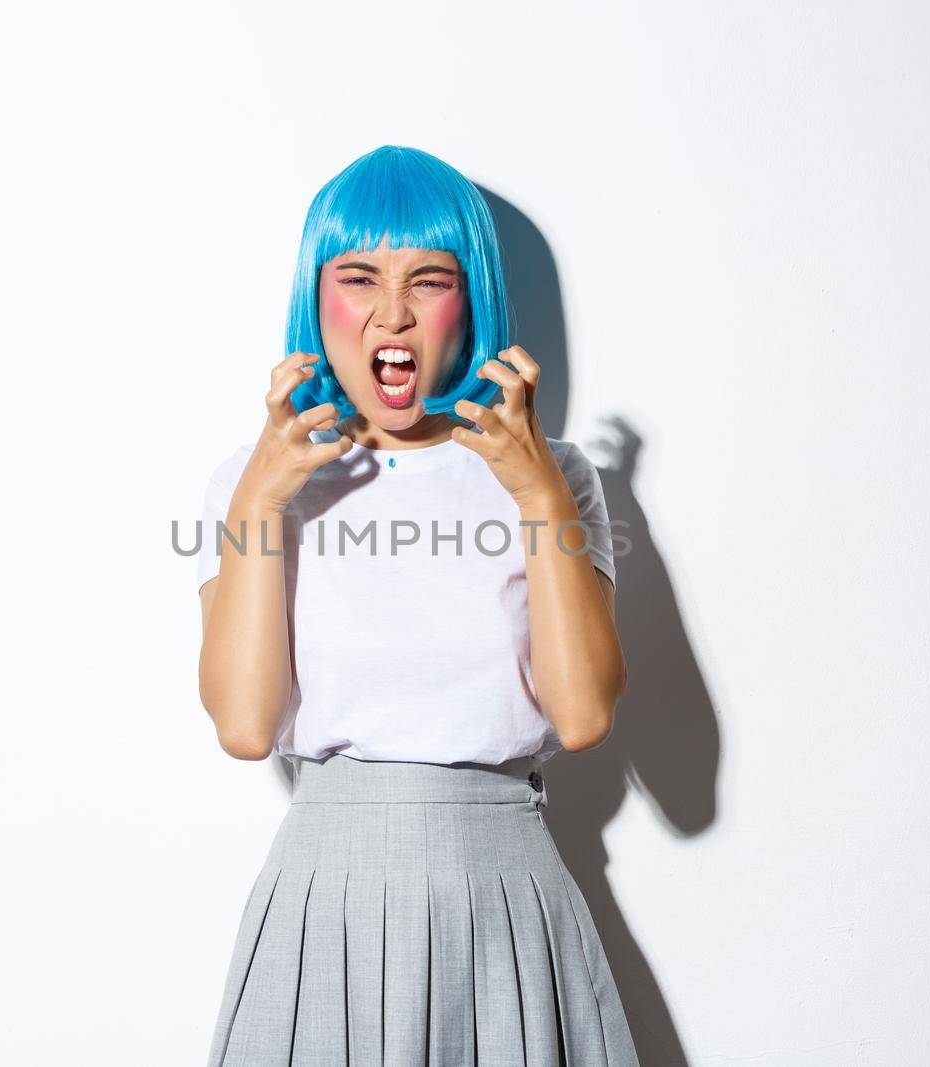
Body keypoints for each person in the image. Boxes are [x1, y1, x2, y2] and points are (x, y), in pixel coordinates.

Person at [194, 144, 639, 1065]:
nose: (391, 313)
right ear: (317, 300)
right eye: (358, 277)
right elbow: (245, 725)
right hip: (327, 894)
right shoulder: (254, 481)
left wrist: (538, 497)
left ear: (468, 298)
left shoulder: (555, 476)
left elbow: (585, 713)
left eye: (427, 279)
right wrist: (259, 509)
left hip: (505, 888)